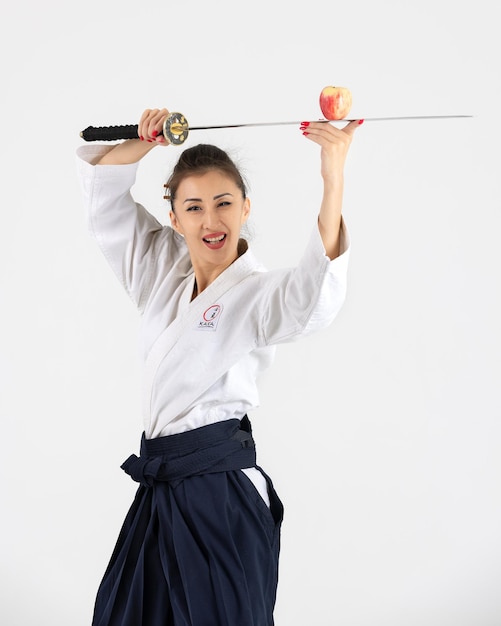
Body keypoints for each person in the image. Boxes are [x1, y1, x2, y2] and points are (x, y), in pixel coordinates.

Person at [76, 107, 362, 626]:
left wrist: (333, 171)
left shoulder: (257, 294)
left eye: (224, 203)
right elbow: (104, 197)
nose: (212, 221)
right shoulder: (158, 268)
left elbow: (313, 291)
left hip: (221, 493)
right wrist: (148, 140)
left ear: (245, 206)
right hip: (162, 489)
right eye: (195, 207)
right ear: (174, 216)